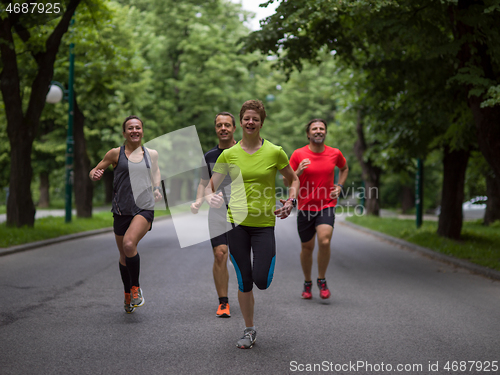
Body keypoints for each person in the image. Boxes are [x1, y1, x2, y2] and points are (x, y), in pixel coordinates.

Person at [206, 100, 300, 349]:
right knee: (244, 280)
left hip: (264, 224)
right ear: (242, 121)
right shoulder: (229, 154)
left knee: (262, 280)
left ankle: (251, 316)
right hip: (235, 224)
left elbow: (293, 179)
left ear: (261, 122)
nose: (250, 122)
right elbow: (211, 185)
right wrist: (210, 196)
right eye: (246, 118)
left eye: (255, 119)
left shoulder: (274, 151)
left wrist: (291, 200)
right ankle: (249, 330)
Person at [89, 115, 162, 313]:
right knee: (123, 254)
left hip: (144, 207)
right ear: (124, 133)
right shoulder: (115, 154)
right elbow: (96, 169)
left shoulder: (151, 154)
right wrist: (94, 174)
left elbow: (156, 172)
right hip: (121, 209)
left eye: (138, 127)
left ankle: (136, 289)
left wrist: (157, 188)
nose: (134, 131)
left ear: (142, 131)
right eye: (130, 128)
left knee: (129, 244)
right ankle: (127, 294)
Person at [288, 118, 349, 300]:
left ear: (325, 132)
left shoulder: (334, 153)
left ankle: (321, 279)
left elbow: (344, 168)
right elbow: (287, 180)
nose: (318, 131)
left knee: (324, 241)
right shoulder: (298, 154)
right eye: (314, 129)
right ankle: (308, 282)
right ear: (308, 134)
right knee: (307, 248)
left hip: (326, 205)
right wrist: (297, 171)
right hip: (305, 206)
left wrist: (339, 185)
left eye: (321, 128)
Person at [190, 112, 237, 318]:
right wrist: (201, 200)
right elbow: (203, 184)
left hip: (243, 212)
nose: (223, 128)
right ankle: (223, 302)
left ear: (234, 128)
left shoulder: (244, 152)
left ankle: (246, 295)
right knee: (220, 253)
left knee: (241, 257)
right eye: (219, 125)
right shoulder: (209, 156)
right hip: (218, 212)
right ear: (216, 129)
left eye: (227, 125)